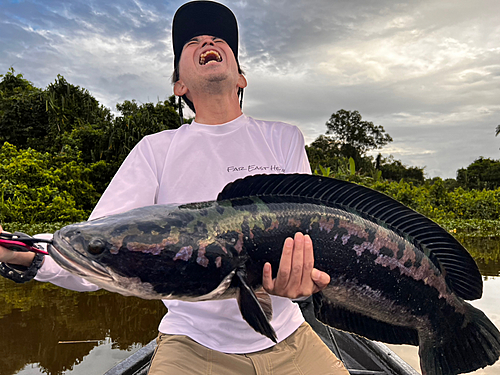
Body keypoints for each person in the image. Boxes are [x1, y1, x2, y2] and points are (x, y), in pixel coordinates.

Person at [0, 1, 349, 374]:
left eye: (218, 39)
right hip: (192, 346)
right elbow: (99, 250)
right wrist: (24, 253)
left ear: (241, 77)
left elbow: (314, 236)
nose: (207, 42)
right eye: (192, 42)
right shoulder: (155, 150)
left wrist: (307, 279)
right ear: (179, 84)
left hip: (291, 339)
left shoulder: (285, 139)